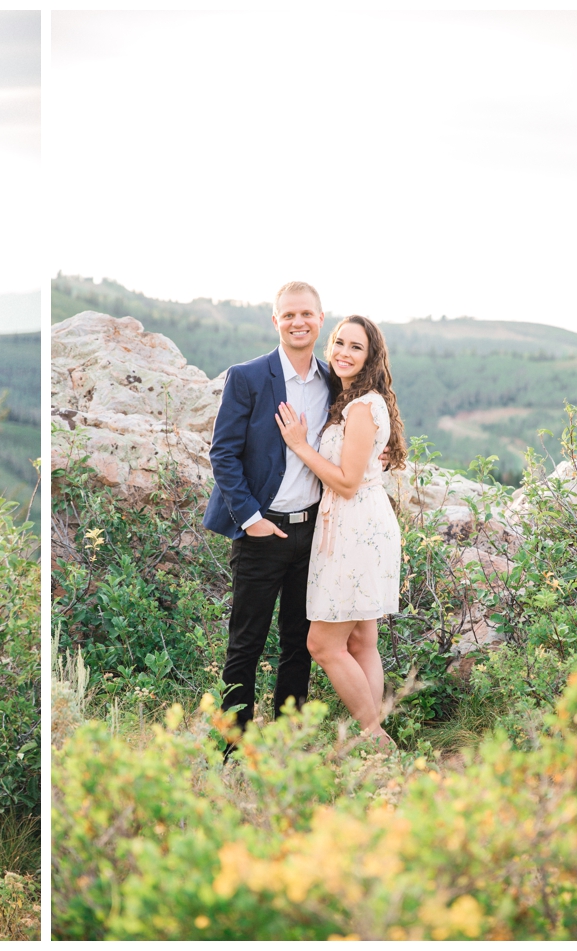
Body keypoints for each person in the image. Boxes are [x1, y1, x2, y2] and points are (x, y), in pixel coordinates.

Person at [202, 281, 334, 752]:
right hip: (262, 531)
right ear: (275, 321)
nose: (299, 322)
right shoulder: (248, 377)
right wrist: (251, 518)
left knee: (300, 644)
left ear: (321, 320)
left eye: (307, 314)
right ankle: (230, 749)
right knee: (246, 644)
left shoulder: (332, 381)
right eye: (289, 314)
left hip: (313, 532)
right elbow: (223, 454)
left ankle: (286, 747)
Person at [277, 315, 405, 746]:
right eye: (339, 343)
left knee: (323, 645)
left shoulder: (362, 406)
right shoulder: (354, 401)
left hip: (355, 528)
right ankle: (378, 751)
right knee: (361, 641)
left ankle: (377, 741)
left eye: (356, 347)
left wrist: (299, 446)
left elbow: (348, 481)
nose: (343, 353)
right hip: (358, 524)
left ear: (370, 358)